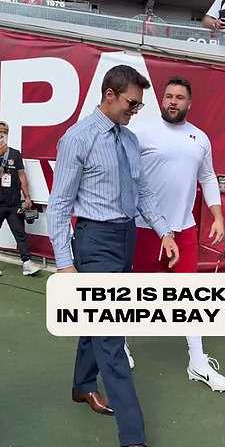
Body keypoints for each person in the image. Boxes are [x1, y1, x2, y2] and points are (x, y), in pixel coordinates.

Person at [47, 65, 179, 447]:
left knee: (95, 317)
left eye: (137, 107)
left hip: (126, 239)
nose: (134, 111)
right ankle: (133, 436)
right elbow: (58, 205)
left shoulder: (130, 140)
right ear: (109, 94)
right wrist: (64, 263)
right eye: (131, 104)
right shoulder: (78, 138)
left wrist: (164, 232)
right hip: (95, 241)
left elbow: (144, 194)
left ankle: (81, 385)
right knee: (110, 330)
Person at [131, 76, 225, 393]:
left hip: (184, 230)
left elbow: (209, 178)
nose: (172, 101)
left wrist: (217, 215)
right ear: (161, 100)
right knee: (132, 293)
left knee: (189, 297)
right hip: (144, 230)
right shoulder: (140, 133)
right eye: (168, 96)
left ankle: (197, 362)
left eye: (179, 97)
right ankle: (118, 344)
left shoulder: (200, 139)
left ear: (189, 103)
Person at [0, 120, 40, 276]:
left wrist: (27, 196)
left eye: (5, 132)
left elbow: (22, 175)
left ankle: (27, 264)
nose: (2, 135)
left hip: (13, 203)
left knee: (20, 233)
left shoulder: (15, 154)